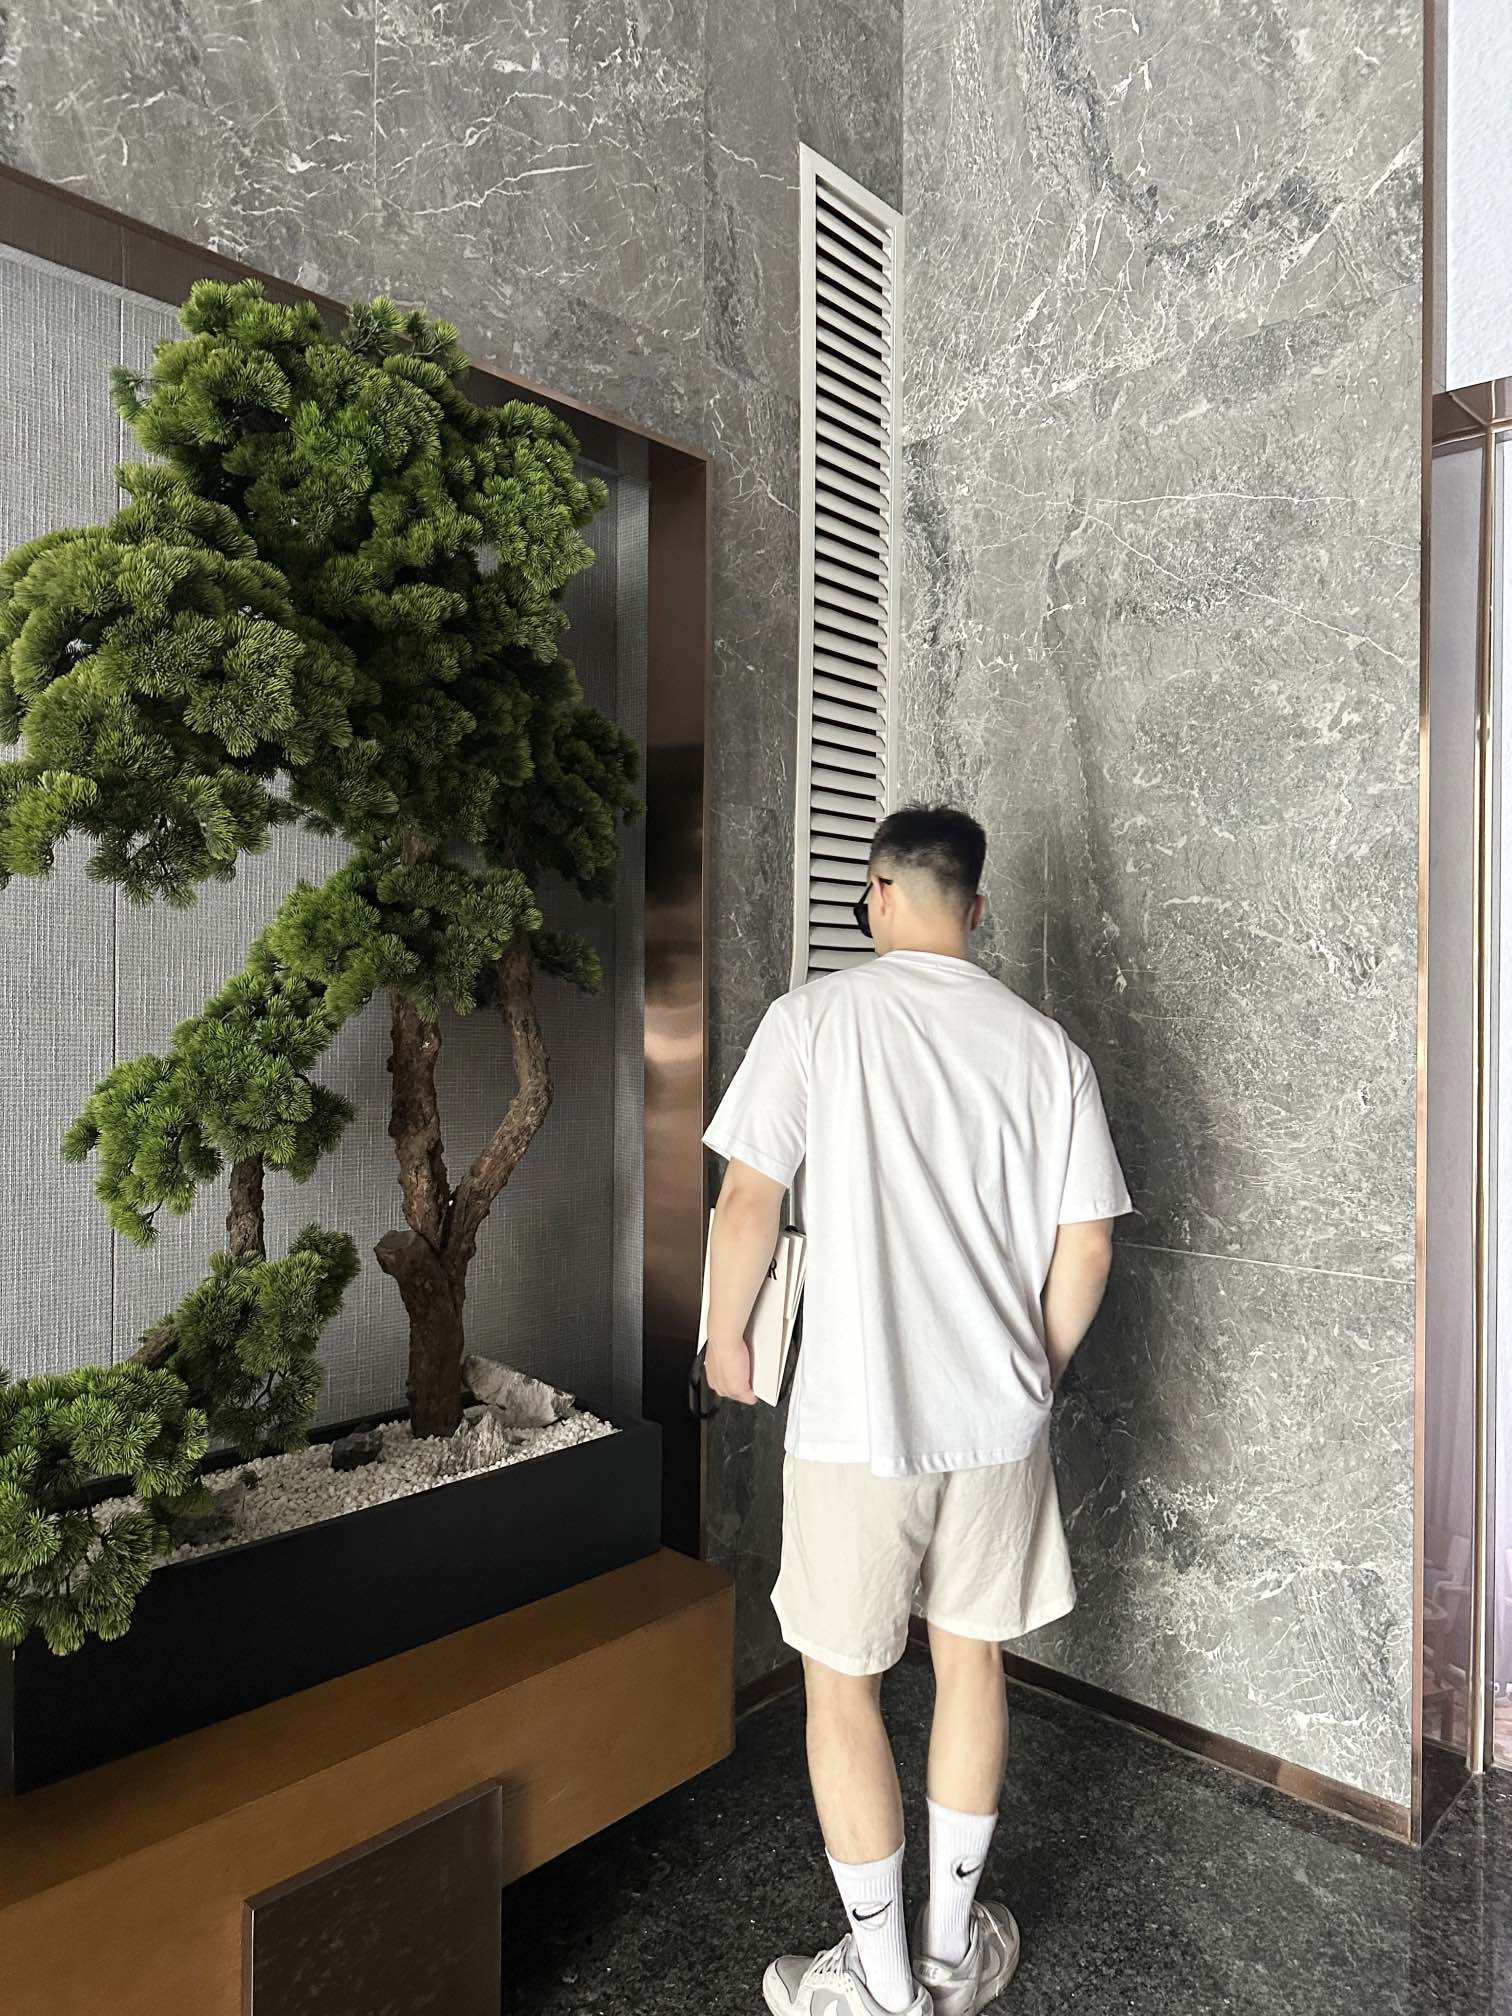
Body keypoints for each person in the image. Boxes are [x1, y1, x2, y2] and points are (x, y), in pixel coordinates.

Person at [701, 804, 1132, 2016]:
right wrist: (1032, 1372)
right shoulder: (1047, 1050)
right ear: (977, 908)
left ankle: (880, 1983)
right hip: (997, 1424)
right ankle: (952, 1956)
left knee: (842, 1684)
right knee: (971, 1661)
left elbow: (747, 1201)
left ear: (879, 894)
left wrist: (728, 1337)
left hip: (857, 1422)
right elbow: (1089, 1245)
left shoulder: (815, 1020)